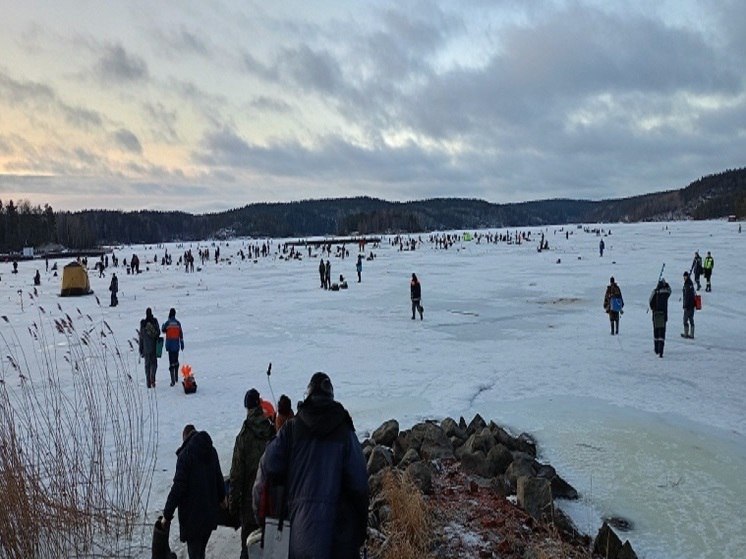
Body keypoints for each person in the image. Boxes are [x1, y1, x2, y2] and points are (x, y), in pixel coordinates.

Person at [253, 372, 369, 558]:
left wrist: (262, 519)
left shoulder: (290, 430)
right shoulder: (345, 432)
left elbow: (264, 473)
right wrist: (359, 532)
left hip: (296, 538)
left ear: (308, 396)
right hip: (338, 542)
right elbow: (360, 485)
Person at [162, 424, 226, 559]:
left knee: (195, 553)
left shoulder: (185, 456)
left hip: (192, 519)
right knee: (200, 551)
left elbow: (178, 487)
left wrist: (167, 514)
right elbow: (218, 478)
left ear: (185, 437)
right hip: (209, 515)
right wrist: (222, 499)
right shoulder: (211, 450)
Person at [230, 389, 275, 559]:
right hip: (270, 502)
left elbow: (236, 475)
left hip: (249, 506)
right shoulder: (272, 431)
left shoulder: (243, 436)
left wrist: (233, 506)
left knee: (248, 549)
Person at [649, 278, 672, 357]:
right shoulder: (666, 292)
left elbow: (650, 301)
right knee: (662, 333)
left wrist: (653, 308)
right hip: (663, 314)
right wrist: (667, 285)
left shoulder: (655, 291)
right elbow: (670, 290)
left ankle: (656, 349)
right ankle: (661, 350)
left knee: (656, 331)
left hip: (656, 314)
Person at [162, 308, 185, 387]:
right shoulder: (178, 323)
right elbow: (181, 334)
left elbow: (163, 330)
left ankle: (173, 381)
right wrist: (182, 344)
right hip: (176, 345)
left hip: (170, 345)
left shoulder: (168, 323)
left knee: (171, 362)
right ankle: (176, 377)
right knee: (176, 361)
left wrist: (162, 326)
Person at [139, 308, 160, 388]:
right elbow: (158, 333)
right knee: (154, 364)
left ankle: (148, 382)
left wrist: (141, 349)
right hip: (154, 347)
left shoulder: (143, 324)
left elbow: (141, 337)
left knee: (147, 365)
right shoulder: (154, 322)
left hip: (146, 348)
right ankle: (153, 377)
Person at [682, 271, 696, 339]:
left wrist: (685, 306)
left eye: (684, 276)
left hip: (688, 306)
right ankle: (692, 334)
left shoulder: (687, 284)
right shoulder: (690, 284)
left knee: (685, 320)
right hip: (692, 305)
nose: (684, 278)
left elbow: (687, 296)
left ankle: (686, 333)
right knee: (691, 319)